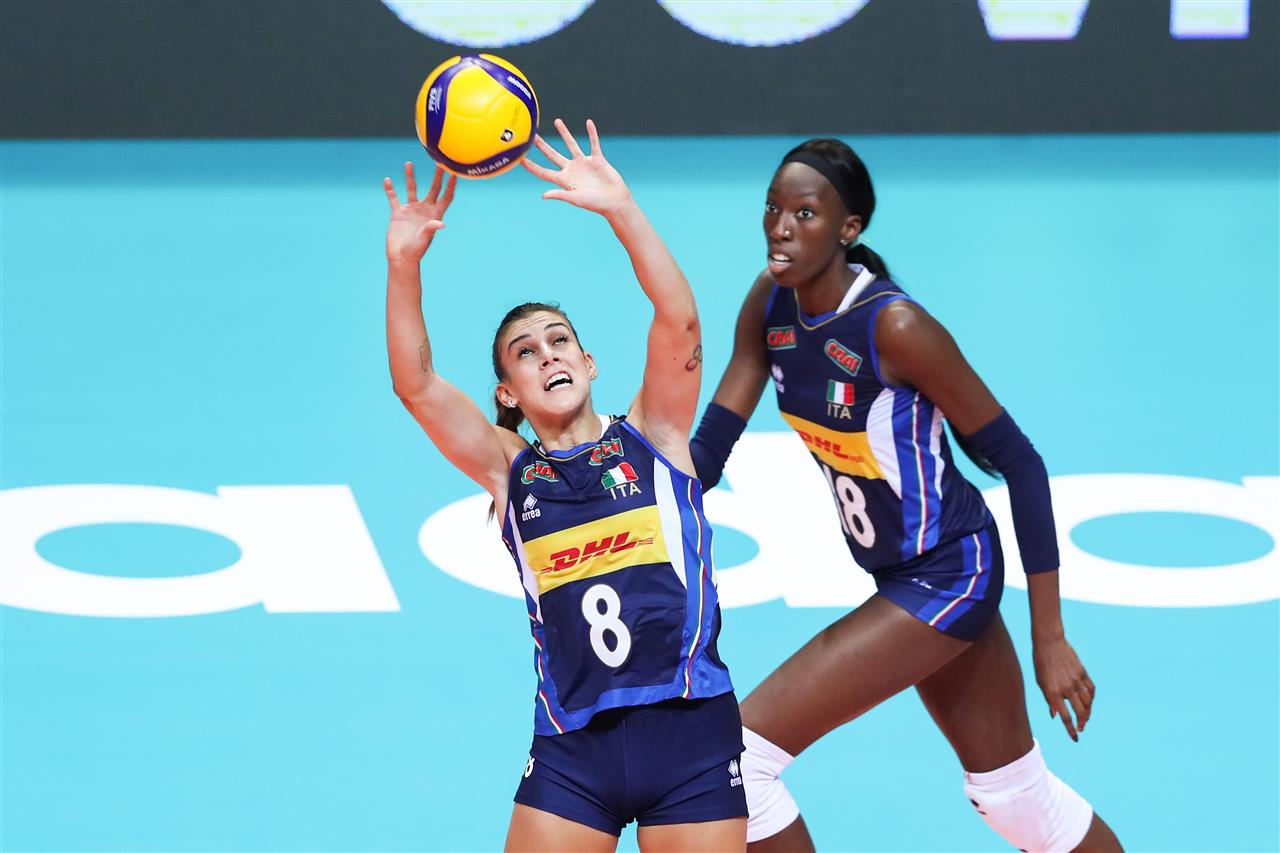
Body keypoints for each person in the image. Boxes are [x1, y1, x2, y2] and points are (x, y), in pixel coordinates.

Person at [689, 138, 1124, 853]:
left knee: (736, 761)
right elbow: (707, 452)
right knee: (1014, 799)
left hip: (949, 572)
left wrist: (1049, 638)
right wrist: (615, 491)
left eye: (805, 213)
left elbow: (1021, 463)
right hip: (900, 574)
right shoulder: (770, 304)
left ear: (849, 228)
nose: (780, 227)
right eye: (772, 209)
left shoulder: (893, 326)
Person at [384, 119, 746, 853]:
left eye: (559, 341)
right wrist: (403, 266)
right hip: (572, 749)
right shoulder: (509, 470)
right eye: (525, 352)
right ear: (508, 392)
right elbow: (416, 386)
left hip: (691, 733)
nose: (548, 355)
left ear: (589, 361)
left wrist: (622, 209)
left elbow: (679, 320)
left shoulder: (655, 436)